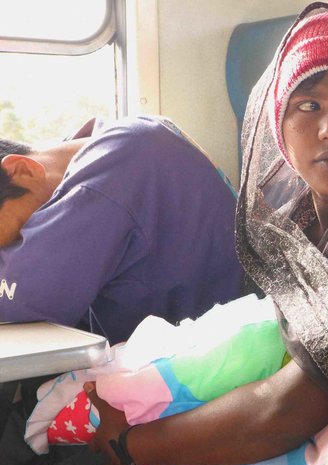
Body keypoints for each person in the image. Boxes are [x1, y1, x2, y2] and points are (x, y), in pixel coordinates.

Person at [81, 3, 328, 465]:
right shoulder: (290, 223)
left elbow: (289, 409)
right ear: (278, 124)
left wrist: (131, 447)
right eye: (308, 105)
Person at [0, 116, 245, 465]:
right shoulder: (105, 148)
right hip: (144, 351)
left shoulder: (120, 163)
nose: (12, 251)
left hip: (192, 372)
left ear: (20, 170)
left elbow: (29, 294)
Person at [0, 116, 243, 343]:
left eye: (12, 243)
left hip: (216, 347)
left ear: (24, 169)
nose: (18, 247)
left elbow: (28, 299)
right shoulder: (113, 144)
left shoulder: (115, 164)